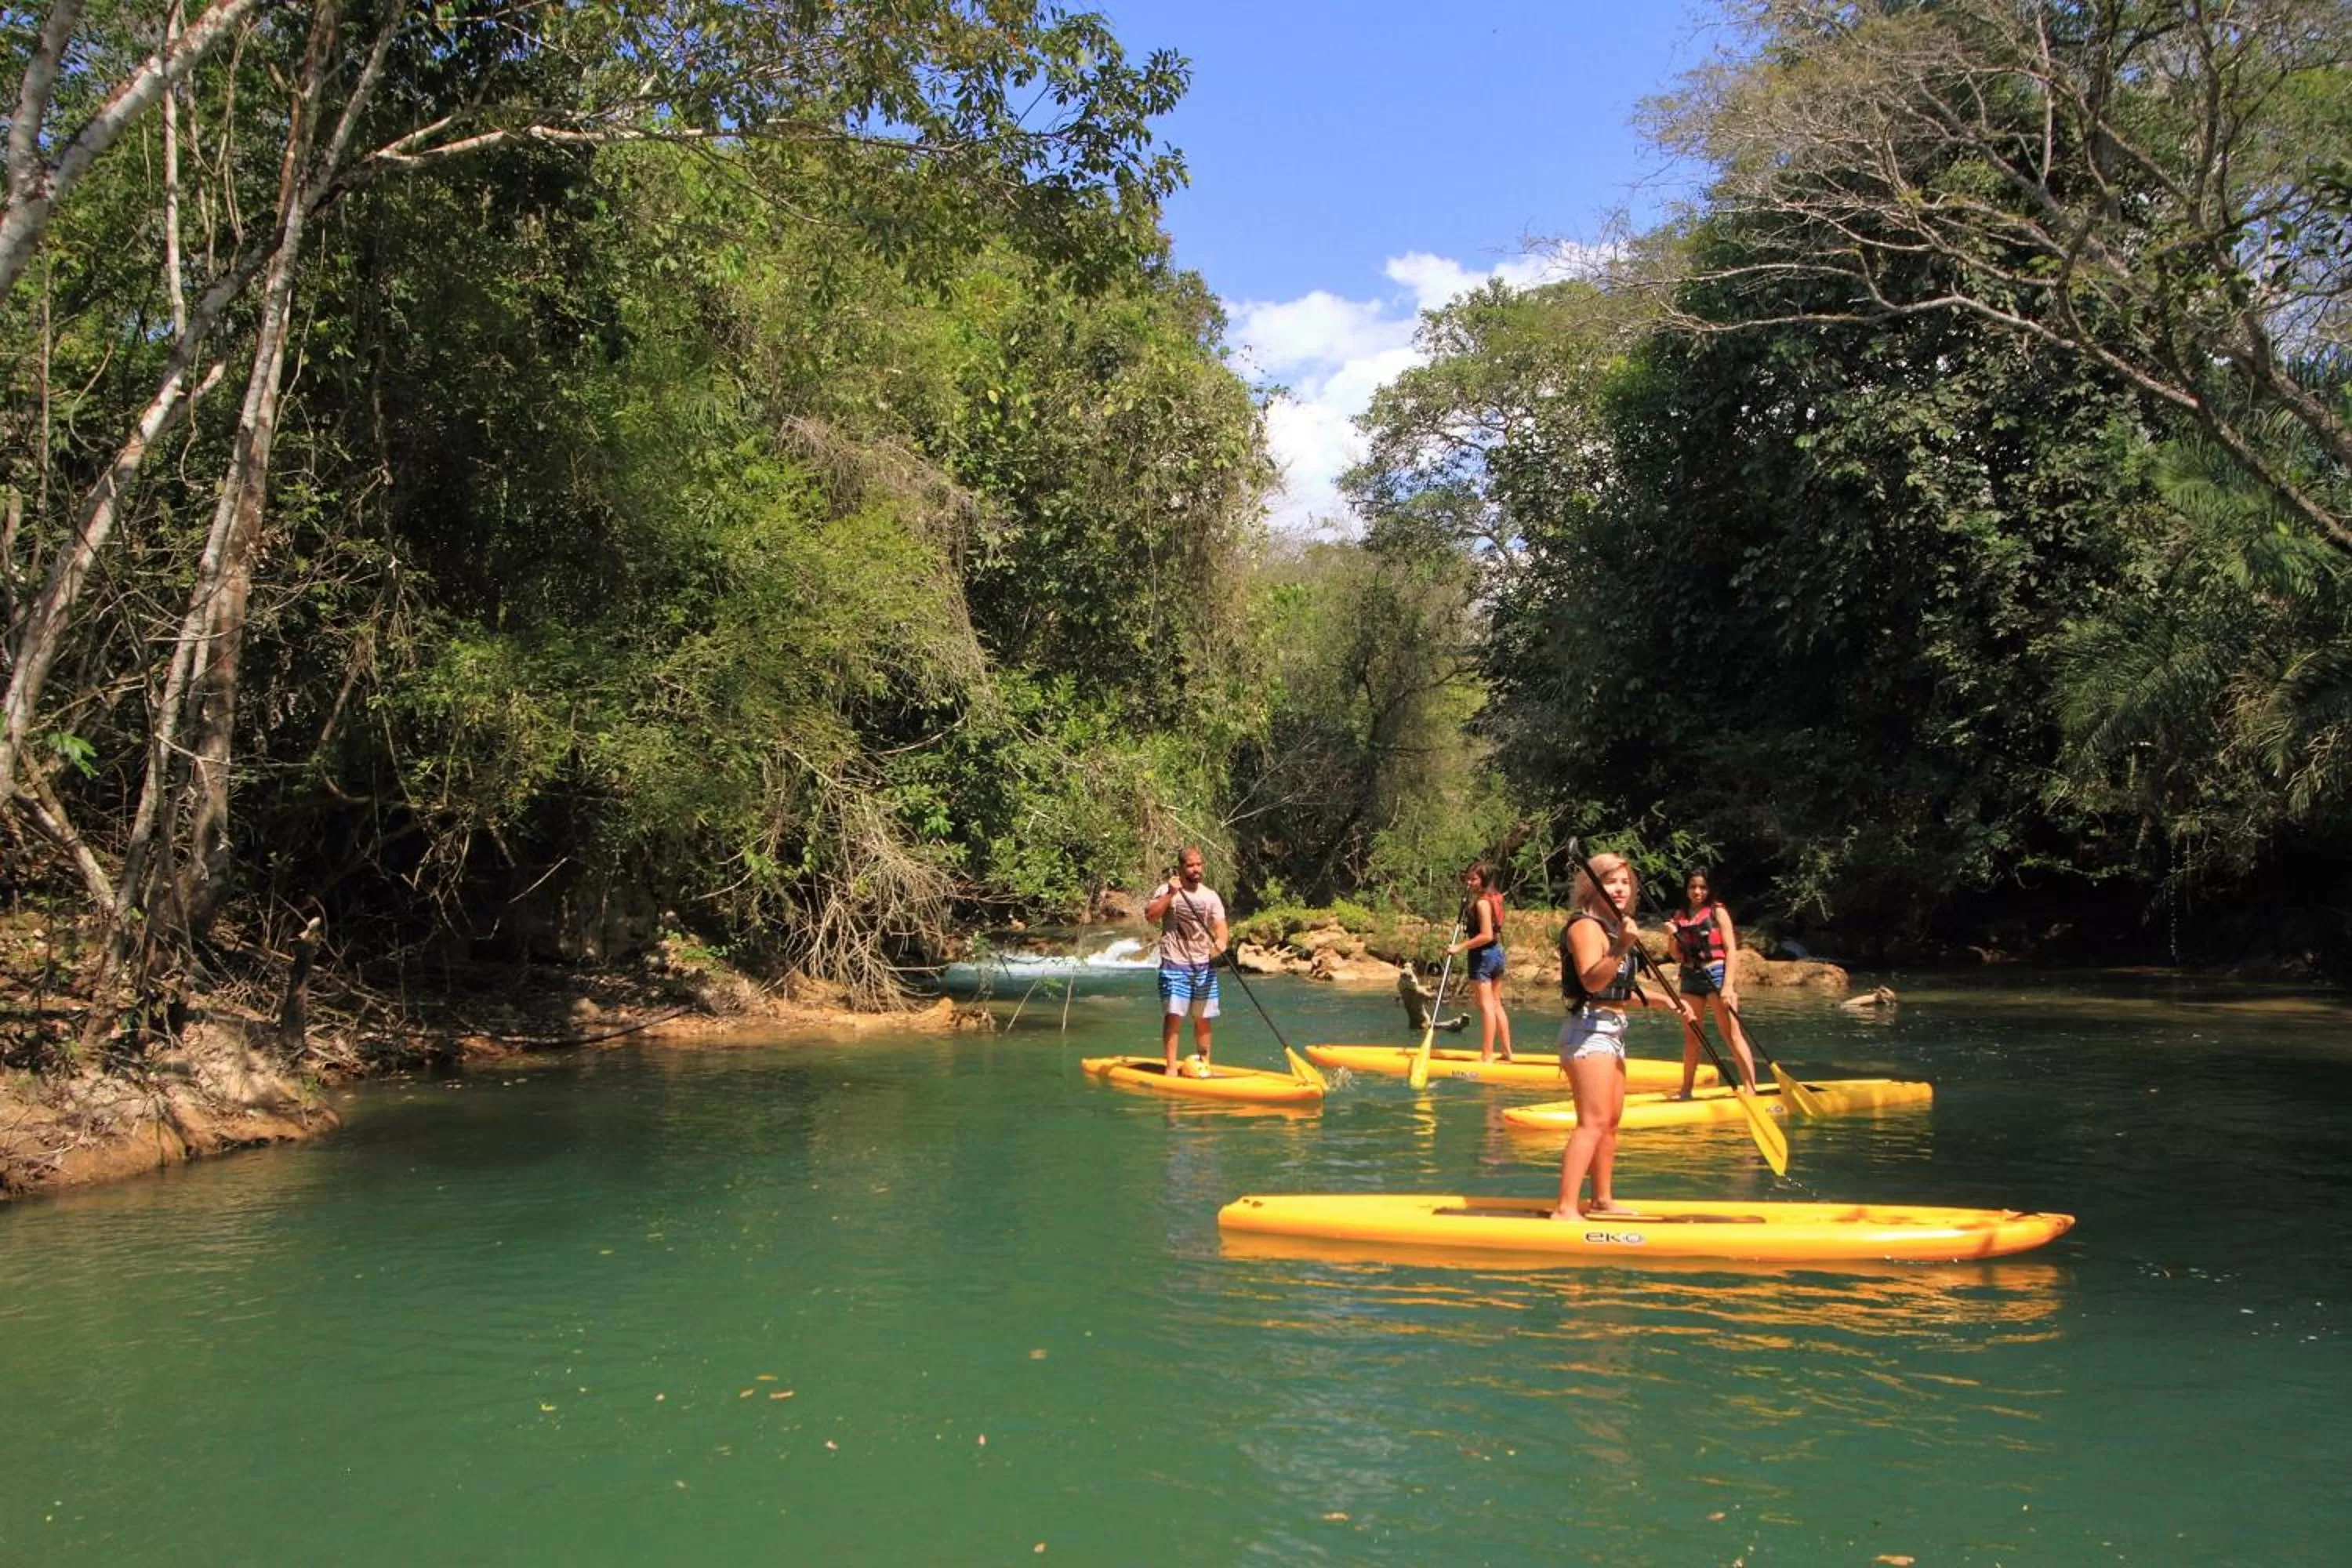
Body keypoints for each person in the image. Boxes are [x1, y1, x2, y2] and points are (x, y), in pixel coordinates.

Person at [1552, 852, 1696, 1221]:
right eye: (1611, 881)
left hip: (1611, 1030)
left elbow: (1612, 992)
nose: (1620, 888)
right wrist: (1621, 947)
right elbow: (1590, 981)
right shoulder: (1585, 927)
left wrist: (1661, 1000)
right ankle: (1566, 1208)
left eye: (1625, 882)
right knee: (1593, 1122)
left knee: (1611, 1123)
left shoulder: (1613, 927)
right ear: (1592, 885)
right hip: (1588, 1031)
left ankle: (1602, 1200)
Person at [1666, 869, 1759, 1097]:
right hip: (1689, 978)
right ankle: (1686, 1089)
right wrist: (1671, 935)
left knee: (1731, 1034)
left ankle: (1750, 1088)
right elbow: (1676, 955)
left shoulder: (1718, 912)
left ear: (1709, 889)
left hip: (1716, 974)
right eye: (1692, 887)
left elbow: (1730, 950)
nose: (1697, 891)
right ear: (1687, 889)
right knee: (1692, 1037)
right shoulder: (1680, 916)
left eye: (1702, 887)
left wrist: (1728, 986)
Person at [1143, 846, 1229, 1076]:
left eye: (1199, 864)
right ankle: (1171, 1068)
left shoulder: (1210, 896)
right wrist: (1171, 893)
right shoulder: (1166, 890)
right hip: (1174, 964)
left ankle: (1205, 1065)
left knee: (1204, 1018)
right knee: (1175, 1016)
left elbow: (1220, 925)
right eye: (1190, 865)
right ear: (1180, 868)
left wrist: (1221, 942)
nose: (1196, 869)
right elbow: (1150, 916)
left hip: (1203, 965)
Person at [1445, 862, 1515, 1062]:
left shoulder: (1483, 903)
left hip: (1483, 956)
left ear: (1484, 880)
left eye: (1474, 879)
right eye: (1468, 878)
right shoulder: (1495, 898)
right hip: (1497, 953)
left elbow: (1486, 935)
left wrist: (1460, 947)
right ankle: (1507, 1052)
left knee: (1487, 1007)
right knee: (1495, 1004)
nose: (1469, 882)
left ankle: (1487, 1055)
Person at [1396, 962, 1468, 1034]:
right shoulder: (1420, 992)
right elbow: (1432, 996)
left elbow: (1416, 988)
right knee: (1443, 1027)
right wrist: (1440, 992)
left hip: (1413, 1024)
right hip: (1424, 1022)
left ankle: (1455, 1025)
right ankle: (1456, 1024)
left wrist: (1430, 987)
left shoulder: (1404, 990)